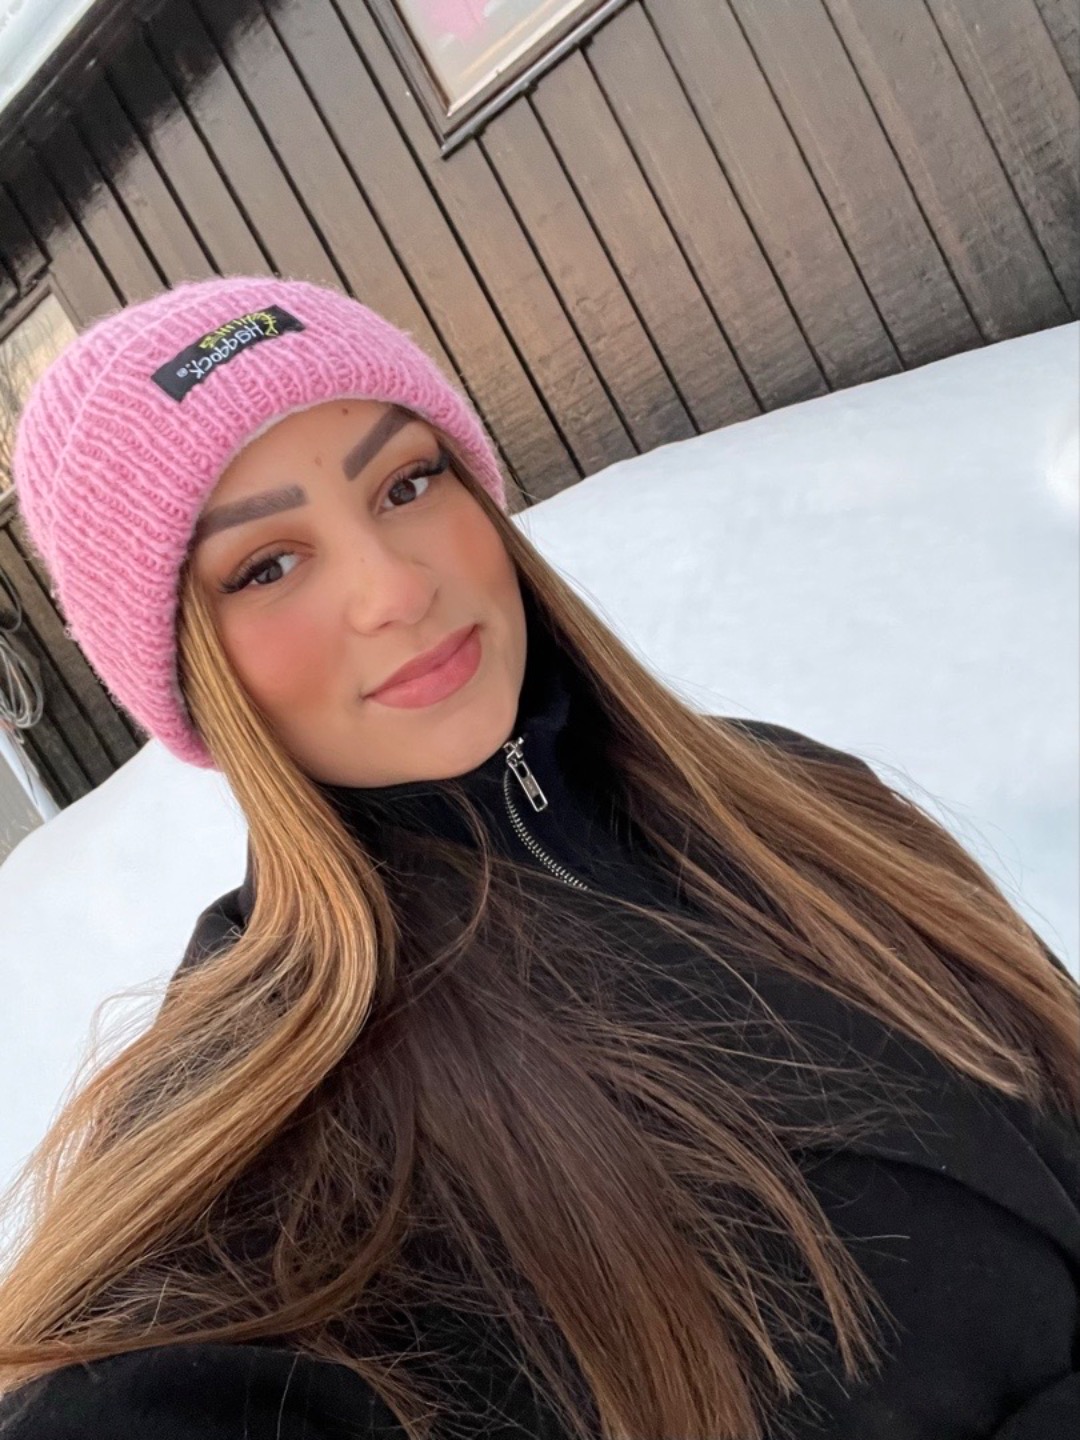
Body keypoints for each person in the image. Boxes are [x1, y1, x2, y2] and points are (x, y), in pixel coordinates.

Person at [0, 276, 1076, 1440]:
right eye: (266, 566)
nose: (395, 588)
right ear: (189, 669)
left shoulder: (794, 797)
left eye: (406, 484)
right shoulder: (280, 1140)